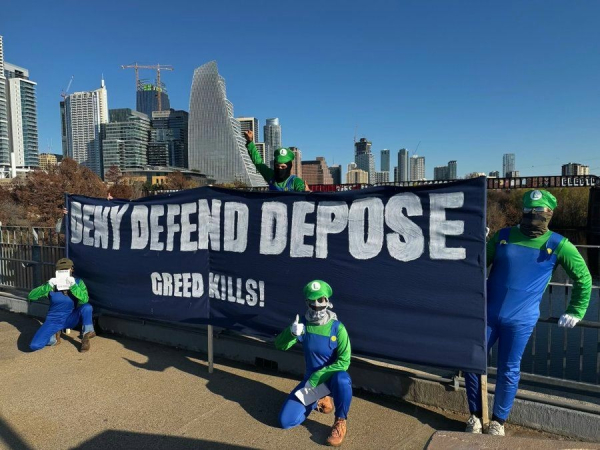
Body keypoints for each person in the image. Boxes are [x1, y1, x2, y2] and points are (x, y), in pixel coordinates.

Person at [464, 190, 592, 436]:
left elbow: (583, 278)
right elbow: (477, 266)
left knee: (509, 369)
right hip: (488, 314)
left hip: (521, 319)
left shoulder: (558, 245)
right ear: (523, 212)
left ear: (549, 215)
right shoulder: (503, 237)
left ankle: (498, 421)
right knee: (472, 361)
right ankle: (476, 415)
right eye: (529, 213)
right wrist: (477, 244)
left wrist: (576, 309)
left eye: (540, 213)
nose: (534, 218)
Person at [275, 280, 352, 447]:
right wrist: (291, 333)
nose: (317, 305)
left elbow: (344, 361)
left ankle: (340, 420)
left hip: (331, 379)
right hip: (312, 383)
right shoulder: (302, 324)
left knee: (343, 379)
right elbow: (279, 344)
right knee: (285, 421)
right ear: (307, 302)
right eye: (313, 300)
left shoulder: (337, 328)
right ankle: (320, 399)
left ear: (328, 301)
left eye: (321, 300)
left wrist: (318, 376)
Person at [28, 257, 96, 352]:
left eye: (66, 269)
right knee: (34, 345)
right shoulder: (51, 284)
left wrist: (73, 287)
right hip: (53, 320)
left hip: (71, 318)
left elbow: (84, 300)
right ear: (57, 271)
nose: (64, 271)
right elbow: (31, 296)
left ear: (71, 269)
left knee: (87, 307)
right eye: (61, 269)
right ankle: (54, 338)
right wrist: (48, 286)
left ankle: (87, 334)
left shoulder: (78, 282)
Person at [243, 130, 308, 192]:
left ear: (289, 167)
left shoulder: (295, 182)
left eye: (283, 167)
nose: (279, 169)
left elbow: (304, 193)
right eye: (277, 166)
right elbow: (258, 161)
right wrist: (250, 142)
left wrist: (307, 193)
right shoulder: (270, 176)